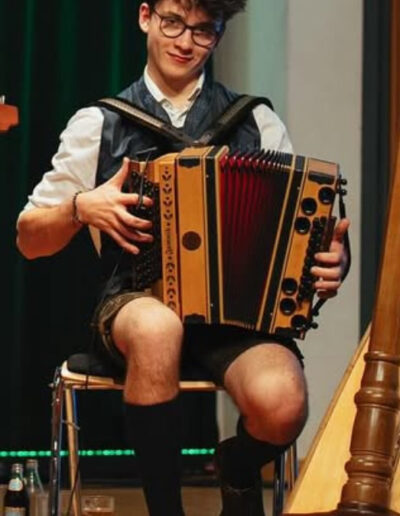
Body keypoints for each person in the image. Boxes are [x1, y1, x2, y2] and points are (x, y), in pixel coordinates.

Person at [16, 0, 349, 514]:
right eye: (173, 22)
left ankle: (236, 467)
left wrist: (328, 263)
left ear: (219, 34)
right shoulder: (100, 122)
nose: (185, 41)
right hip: (134, 301)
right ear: (145, 17)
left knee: (282, 403)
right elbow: (29, 239)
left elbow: (298, 232)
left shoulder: (256, 121)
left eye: (203, 30)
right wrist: (81, 207)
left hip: (233, 320)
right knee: (158, 328)